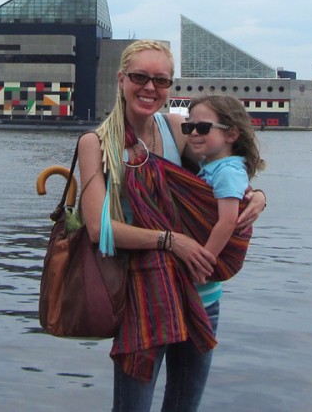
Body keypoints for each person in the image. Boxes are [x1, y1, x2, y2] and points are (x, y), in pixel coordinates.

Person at [76, 40, 267, 412]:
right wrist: (169, 241)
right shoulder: (96, 144)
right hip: (145, 297)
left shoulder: (176, 128)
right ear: (121, 79)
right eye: (140, 77)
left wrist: (258, 195)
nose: (150, 88)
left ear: (169, 87)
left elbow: (224, 172)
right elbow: (99, 229)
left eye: (160, 81)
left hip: (203, 294)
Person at [184, 95, 265, 260]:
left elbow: (227, 222)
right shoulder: (210, 167)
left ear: (231, 134)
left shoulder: (227, 172)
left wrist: (205, 261)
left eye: (203, 127)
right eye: (188, 126)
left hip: (208, 259)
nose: (193, 133)